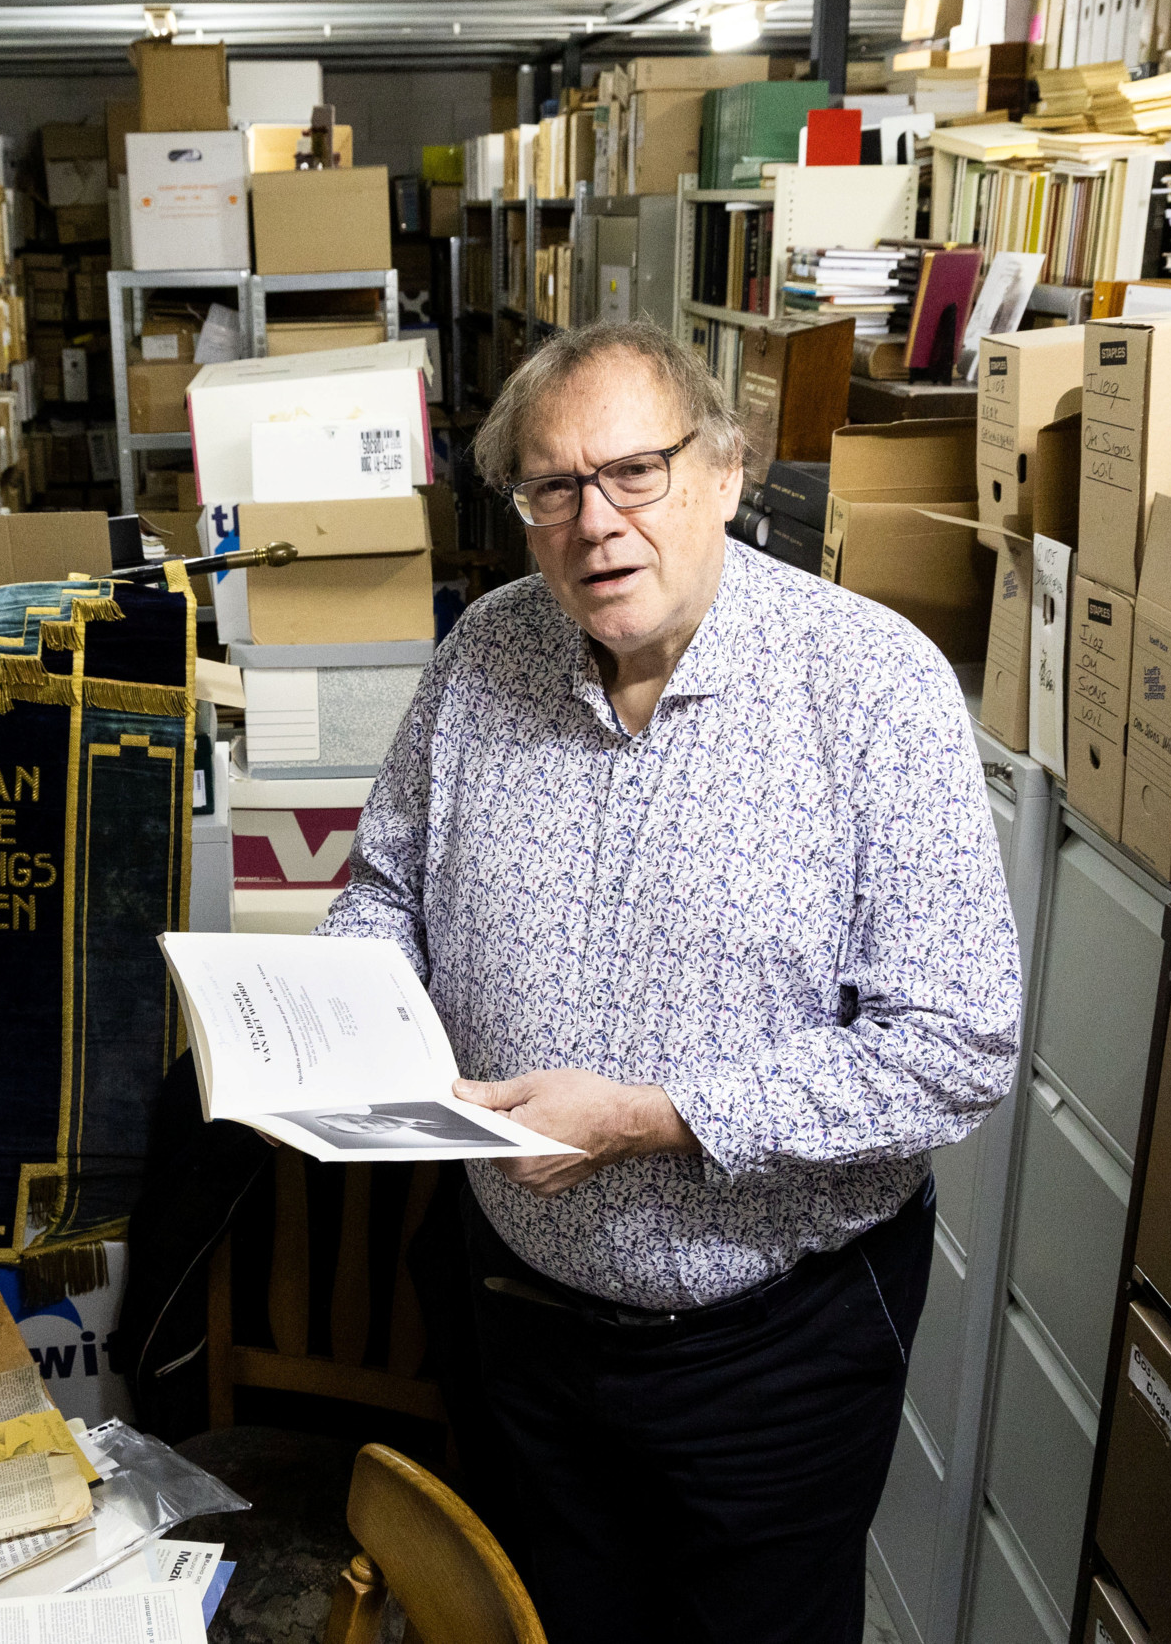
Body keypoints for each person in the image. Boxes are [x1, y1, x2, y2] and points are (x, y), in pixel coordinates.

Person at [317, 321, 1022, 1644]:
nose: (596, 523)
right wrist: (344, 1019)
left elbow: (955, 1044)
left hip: (769, 1347)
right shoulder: (486, 652)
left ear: (725, 472)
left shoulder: (869, 686)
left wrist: (650, 1114)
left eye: (634, 471)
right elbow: (385, 892)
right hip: (517, 1315)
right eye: (554, 488)